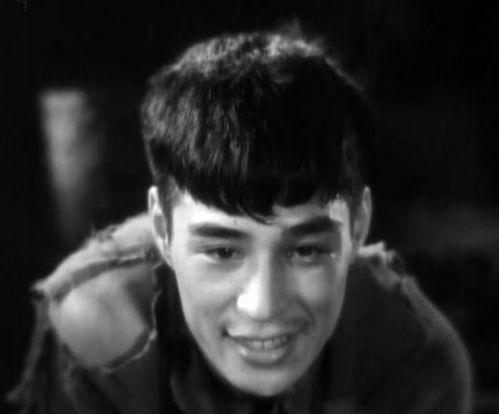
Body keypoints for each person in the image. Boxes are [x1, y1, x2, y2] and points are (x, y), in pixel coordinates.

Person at [9, 31, 472, 413]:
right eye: (222, 251)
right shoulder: (97, 332)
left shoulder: (410, 358)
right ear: (163, 230)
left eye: (306, 250)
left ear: (357, 228)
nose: (263, 306)